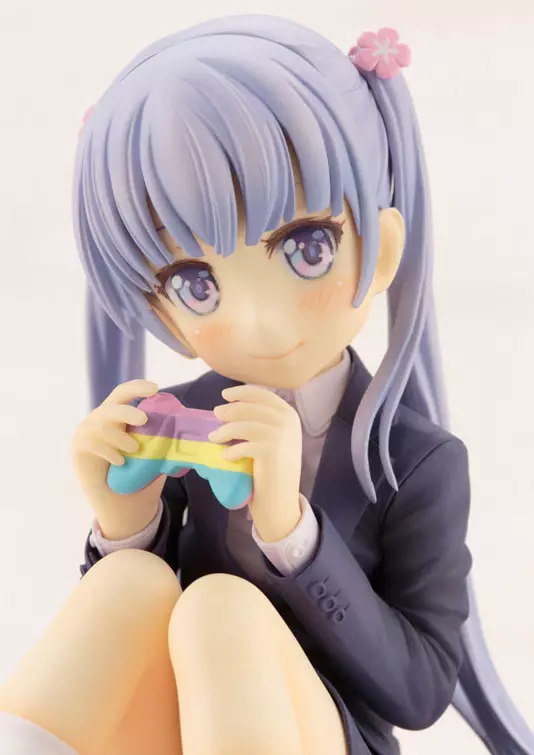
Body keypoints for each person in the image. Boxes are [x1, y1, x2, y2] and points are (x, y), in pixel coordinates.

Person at [0, 15, 532, 755]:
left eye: (307, 249)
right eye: (196, 284)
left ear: (381, 252)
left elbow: (418, 694)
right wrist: (126, 524)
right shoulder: (182, 417)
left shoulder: (418, 462)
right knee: (130, 584)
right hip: (179, 731)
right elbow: (127, 648)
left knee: (221, 605)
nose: (255, 318)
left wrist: (291, 532)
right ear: (162, 312)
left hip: (324, 734)